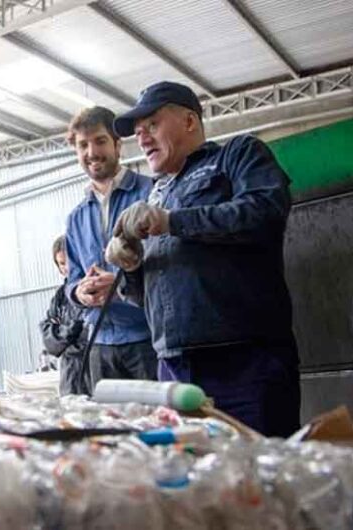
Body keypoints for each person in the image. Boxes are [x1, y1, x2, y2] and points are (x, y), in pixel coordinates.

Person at [106, 81, 300, 437]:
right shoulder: (156, 192)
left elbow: (265, 212)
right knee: (196, 478)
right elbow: (147, 299)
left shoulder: (237, 155)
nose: (143, 138)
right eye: (138, 132)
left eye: (152, 125)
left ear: (190, 121)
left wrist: (171, 221)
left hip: (245, 361)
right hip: (175, 368)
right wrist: (132, 268)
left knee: (260, 471)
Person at [64, 106, 158, 391]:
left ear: (118, 144)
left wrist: (118, 286)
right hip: (100, 346)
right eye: (83, 145)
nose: (91, 152)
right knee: (110, 430)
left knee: (160, 427)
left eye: (100, 141)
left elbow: (166, 265)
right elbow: (71, 279)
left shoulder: (151, 193)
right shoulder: (76, 217)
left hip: (148, 340)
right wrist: (79, 293)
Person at [39, 236, 90, 395]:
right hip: (69, 377)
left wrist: (63, 335)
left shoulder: (92, 290)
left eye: (68, 261)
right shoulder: (60, 296)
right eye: (61, 264)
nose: (66, 268)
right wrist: (71, 331)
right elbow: (49, 340)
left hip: (92, 372)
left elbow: (90, 336)